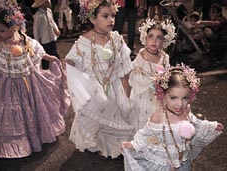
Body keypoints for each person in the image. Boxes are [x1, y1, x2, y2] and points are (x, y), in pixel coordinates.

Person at [0, 5, 70, 159]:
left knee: (31, 109)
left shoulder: (24, 39)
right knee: (12, 113)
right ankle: (18, 141)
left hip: (31, 83)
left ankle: (35, 136)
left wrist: (49, 58)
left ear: (14, 27)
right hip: (7, 89)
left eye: (1, 30)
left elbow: (36, 50)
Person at [122, 63, 224, 171]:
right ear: (163, 95)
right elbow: (147, 137)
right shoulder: (158, 117)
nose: (180, 104)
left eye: (184, 98)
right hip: (166, 165)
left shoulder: (186, 110)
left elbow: (195, 122)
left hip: (183, 161)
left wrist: (211, 126)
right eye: (174, 98)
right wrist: (132, 145)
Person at [65, 0, 134, 158]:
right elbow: (73, 60)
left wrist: (127, 92)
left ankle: (110, 140)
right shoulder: (84, 42)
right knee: (95, 119)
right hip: (94, 90)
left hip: (114, 88)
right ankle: (96, 140)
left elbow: (124, 68)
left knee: (116, 116)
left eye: (113, 16)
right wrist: (70, 63)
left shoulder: (117, 39)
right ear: (93, 19)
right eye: (105, 16)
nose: (111, 20)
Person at [128, 18, 176, 132]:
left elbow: (168, 75)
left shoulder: (164, 58)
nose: (154, 41)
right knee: (143, 122)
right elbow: (132, 77)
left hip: (158, 98)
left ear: (164, 40)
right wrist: (151, 82)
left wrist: (164, 82)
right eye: (151, 36)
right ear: (145, 38)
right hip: (142, 97)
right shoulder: (141, 56)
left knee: (157, 122)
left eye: (158, 38)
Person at [32, 0, 61, 69]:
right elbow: (36, 30)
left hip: (51, 38)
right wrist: (37, 43)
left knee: (55, 54)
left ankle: (57, 69)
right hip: (44, 40)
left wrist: (56, 29)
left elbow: (52, 22)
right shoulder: (38, 15)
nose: (49, 2)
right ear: (41, 4)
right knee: (46, 59)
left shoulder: (49, 11)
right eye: (46, 1)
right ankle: (47, 72)